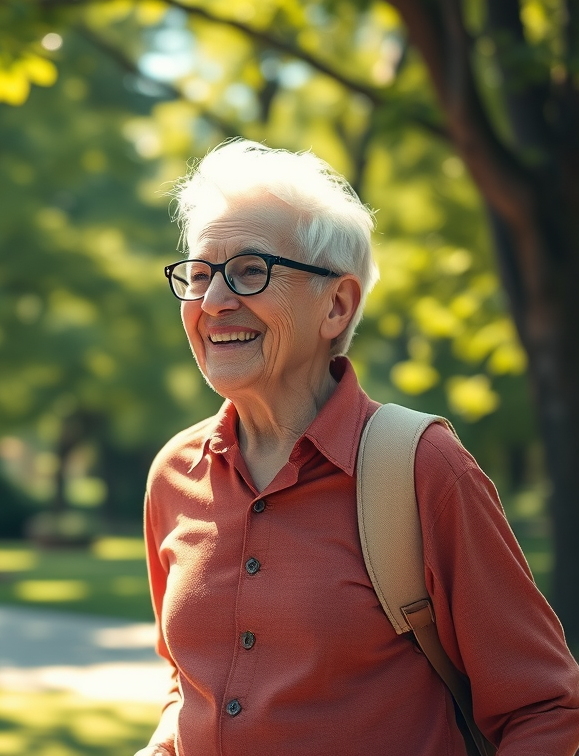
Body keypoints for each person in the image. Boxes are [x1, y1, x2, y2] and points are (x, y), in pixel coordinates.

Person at [138, 139, 579, 755]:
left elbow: (545, 708)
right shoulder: (173, 475)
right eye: (200, 273)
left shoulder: (426, 469)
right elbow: (186, 681)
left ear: (336, 306)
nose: (212, 301)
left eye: (248, 271)